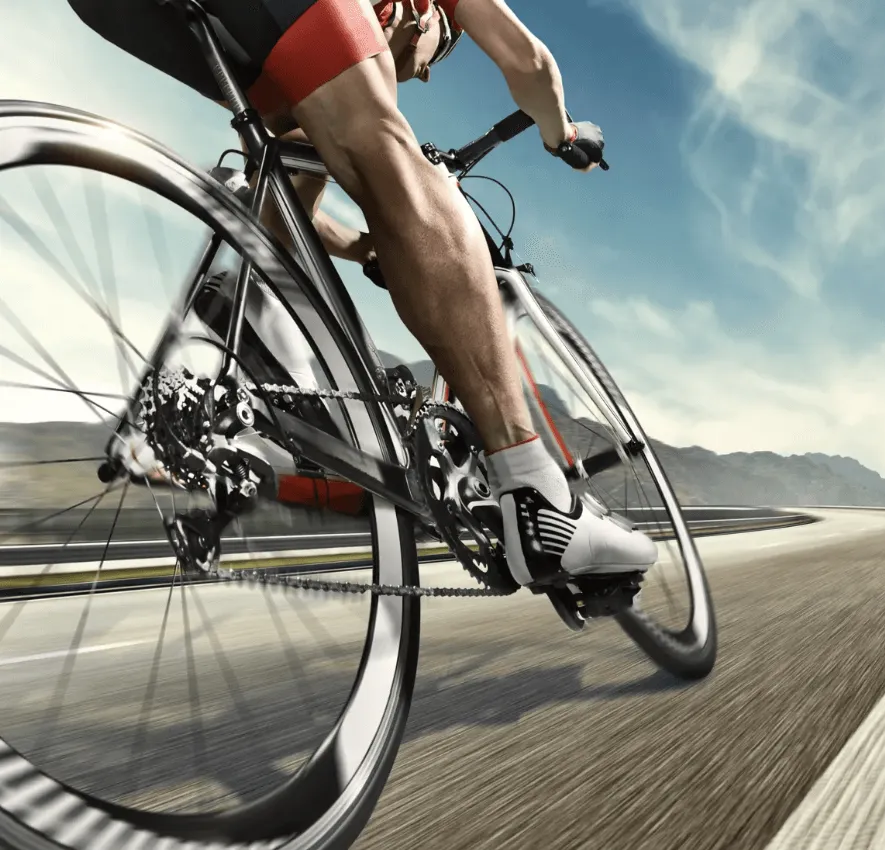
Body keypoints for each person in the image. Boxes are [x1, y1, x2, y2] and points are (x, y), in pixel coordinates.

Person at [66, 0, 658, 588]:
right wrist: (565, 135)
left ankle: (255, 319)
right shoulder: (411, 14)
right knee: (394, 157)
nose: (420, 72)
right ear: (424, 24)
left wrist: (368, 247)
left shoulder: (303, 60)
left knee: (294, 161)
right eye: (433, 56)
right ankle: (538, 495)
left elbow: (297, 210)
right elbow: (529, 61)